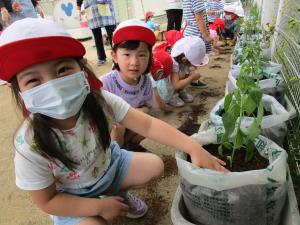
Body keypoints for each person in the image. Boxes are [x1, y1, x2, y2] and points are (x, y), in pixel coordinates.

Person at [0, 18, 227, 225]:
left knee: (155, 165)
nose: (52, 86)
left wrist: (192, 147)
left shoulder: (98, 100)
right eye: (33, 80)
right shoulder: (30, 144)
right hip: (72, 197)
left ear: (81, 68)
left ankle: (116, 194)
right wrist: (97, 207)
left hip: (109, 167)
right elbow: (47, 200)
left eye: (62, 70)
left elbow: (147, 124)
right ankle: (104, 204)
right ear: (18, 90)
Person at [100, 19, 154, 150]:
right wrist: (125, 118)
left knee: (146, 121)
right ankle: (116, 154)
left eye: (141, 55)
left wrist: (132, 115)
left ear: (150, 56)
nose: (134, 62)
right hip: (108, 135)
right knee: (118, 126)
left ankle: (128, 146)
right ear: (114, 56)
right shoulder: (105, 83)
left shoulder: (146, 80)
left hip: (130, 127)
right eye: (127, 54)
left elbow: (147, 106)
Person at [169, 36, 209, 107]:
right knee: (182, 74)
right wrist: (191, 78)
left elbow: (191, 67)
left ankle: (180, 90)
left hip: (179, 67)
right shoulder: (173, 62)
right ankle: (172, 96)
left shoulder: (183, 53)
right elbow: (176, 85)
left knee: (187, 70)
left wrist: (192, 71)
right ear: (184, 60)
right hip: (165, 79)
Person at [77, 0, 116, 65]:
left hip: (104, 4)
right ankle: (101, 58)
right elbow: (79, 1)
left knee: (112, 35)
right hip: (91, 9)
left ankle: (116, 56)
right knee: (97, 37)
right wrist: (78, 10)